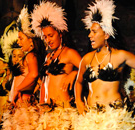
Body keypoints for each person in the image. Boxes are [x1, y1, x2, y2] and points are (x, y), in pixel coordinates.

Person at [74, 0, 135, 129]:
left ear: (106, 34)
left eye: (94, 32)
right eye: (90, 31)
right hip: (91, 117)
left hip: (113, 117)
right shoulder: (87, 58)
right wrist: (79, 101)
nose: (89, 35)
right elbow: (78, 82)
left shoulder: (120, 56)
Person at [31, 1, 81, 129]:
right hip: (46, 111)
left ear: (60, 33)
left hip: (62, 111)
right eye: (45, 37)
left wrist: (75, 73)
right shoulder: (49, 56)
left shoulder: (70, 53)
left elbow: (88, 70)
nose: (48, 40)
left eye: (51, 35)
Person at [1, 7, 46, 130]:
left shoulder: (31, 55)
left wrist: (18, 90)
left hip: (24, 102)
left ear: (30, 40)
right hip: (21, 102)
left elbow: (34, 74)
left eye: (21, 38)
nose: (19, 42)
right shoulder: (29, 56)